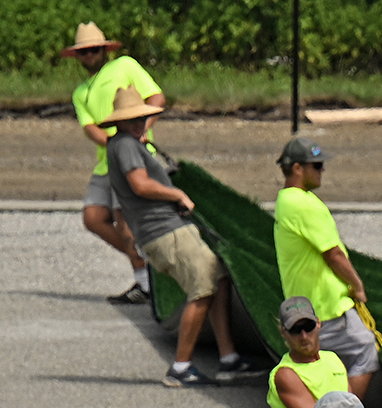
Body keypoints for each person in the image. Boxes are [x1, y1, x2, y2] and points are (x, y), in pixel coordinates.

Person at [101, 87, 249, 388]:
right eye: (133, 119)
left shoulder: (127, 144)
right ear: (120, 122)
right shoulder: (125, 145)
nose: (139, 124)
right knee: (203, 289)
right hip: (164, 231)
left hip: (164, 229)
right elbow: (140, 185)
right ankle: (180, 367)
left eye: (142, 118)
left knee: (218, 278)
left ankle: (229, 358)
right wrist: (177, 194)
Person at [275, 136, 381, 402]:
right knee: (364, 348)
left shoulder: (286, 200)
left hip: (307, 305)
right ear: (297, 168)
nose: (322, 170)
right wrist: (357, 285)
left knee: (322, 367)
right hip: (327, 308)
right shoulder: (304, 204)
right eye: (317, 165)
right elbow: (333, 254)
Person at [62, 24, 162, 303]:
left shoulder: (124, 66)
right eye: (83, 52)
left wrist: (141, 131)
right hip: (106, 161)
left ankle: (145, 283)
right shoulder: (81, 92)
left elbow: (156, 97)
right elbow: (90, 127)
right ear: (77, 56)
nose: (89, 56)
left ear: (104, 50)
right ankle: (147, 267)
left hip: (134, 156)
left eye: (94, 50)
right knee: (93, 218)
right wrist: (114, 144)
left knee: (125, 220)